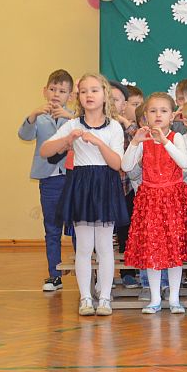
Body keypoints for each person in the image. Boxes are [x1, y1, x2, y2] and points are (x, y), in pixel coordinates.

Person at [40, 73, 127, 316]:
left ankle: (105, 298)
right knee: (84, 247)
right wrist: (67, 140)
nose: (89, 95)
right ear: (78, 96)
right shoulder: (73, 124)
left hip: (105, 185)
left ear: (104, 95)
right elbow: (45, 151)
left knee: (105, 246)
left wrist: (98, 143)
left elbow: (117, 163)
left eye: (94, 90)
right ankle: (86, 298)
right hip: (81, 186)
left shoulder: (114, 127)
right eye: (84, 91)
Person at [122, 92, 187, 314]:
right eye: (153, 111)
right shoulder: (142, 141)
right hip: (150, 199)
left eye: (163, 111)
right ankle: (154, 298)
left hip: (172, 199)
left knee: (174, 249)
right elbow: (126, 166)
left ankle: (174, 298)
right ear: (145, 116)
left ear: (172, 116)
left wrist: (165, 142)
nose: (158, 115)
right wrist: (135, 142)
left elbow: (185, 163)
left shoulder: (176, 138)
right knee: (152, 248)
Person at [17, 69, 75, 291]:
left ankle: (87, 275)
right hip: (49, 179)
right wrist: (32, 115)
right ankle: (54, 275)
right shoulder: (39, 118)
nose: (56, 94)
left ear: (70, 95)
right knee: (52, 228)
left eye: (62, 91)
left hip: (72, 178)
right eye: (52, 89)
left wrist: (69, 117)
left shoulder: (75, 117)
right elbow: (24, 135)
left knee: (79, 228)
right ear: (45, 91)